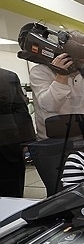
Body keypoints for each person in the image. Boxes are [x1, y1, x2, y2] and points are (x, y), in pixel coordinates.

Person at [29, 30, 84, 140]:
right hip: (55, 141)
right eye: (82, 58)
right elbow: (49, 106)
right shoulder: (40, 71)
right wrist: (61, 76)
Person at [0, 68, 36, 197]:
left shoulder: (8, 77)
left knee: (12, 186)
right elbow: (20, 111)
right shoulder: (7, 76)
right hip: (9, 140)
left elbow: (20, 111)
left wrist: (29, 141)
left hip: (8, 142)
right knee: (12, 188)